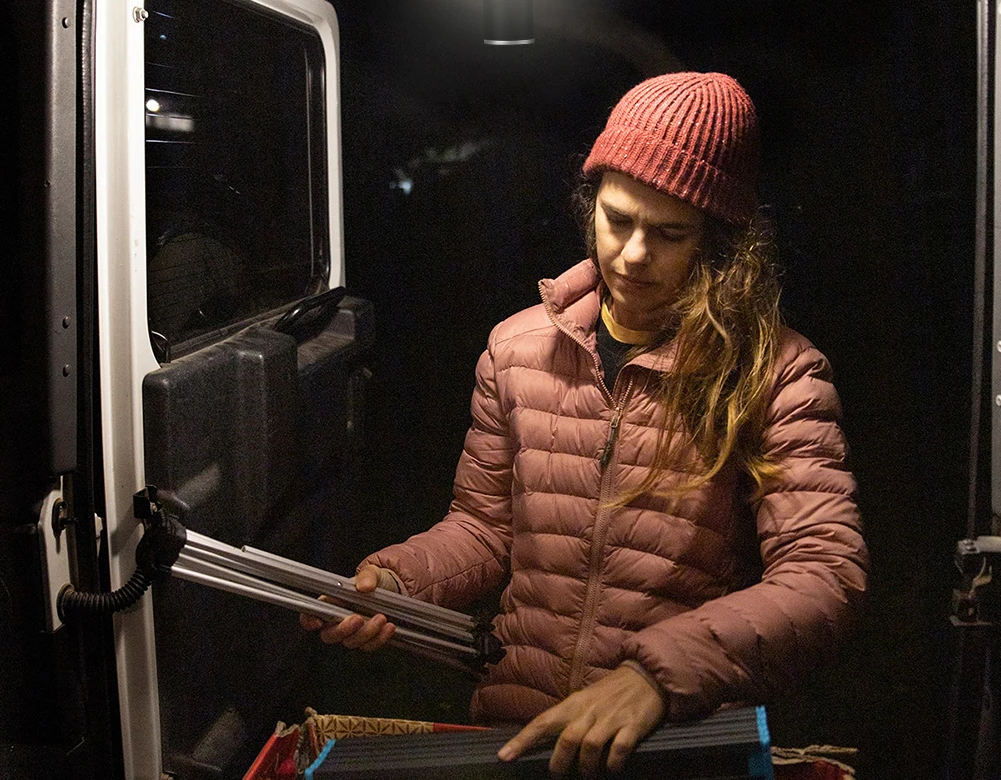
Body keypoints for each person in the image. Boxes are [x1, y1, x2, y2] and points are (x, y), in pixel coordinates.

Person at [301, 71, 869, 776]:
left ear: (720, 242)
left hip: (670, 739)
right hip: (521, 731)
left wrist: (656, 675)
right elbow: (483, 526)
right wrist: (398, 581)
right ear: (589, 201)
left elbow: (822, 574)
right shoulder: (515, 349)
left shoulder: (774, 372)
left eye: (668, 233)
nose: (632, 254)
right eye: (617, 218)